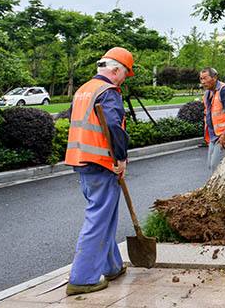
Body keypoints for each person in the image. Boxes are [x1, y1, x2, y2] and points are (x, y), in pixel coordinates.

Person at [64, 47, 134, 296]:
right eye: (124, 74)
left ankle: (111, 266)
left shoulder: (84, 89)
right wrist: (121, 158)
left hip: (82, 160)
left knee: (105, 216)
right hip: (102, 162)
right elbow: (113, 125)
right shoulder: (108, 91)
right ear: (115, 70)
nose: (123, 80)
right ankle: (82, 279)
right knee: (98, 219)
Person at [200, 67, 225, 172]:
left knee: (216, 167)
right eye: (201, 79)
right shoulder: (207, 93)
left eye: (205, 78)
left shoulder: (224, 90)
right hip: (214, 136)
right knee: (211, 166)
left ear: (214, 78)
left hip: (224, 135)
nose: (202, 82)